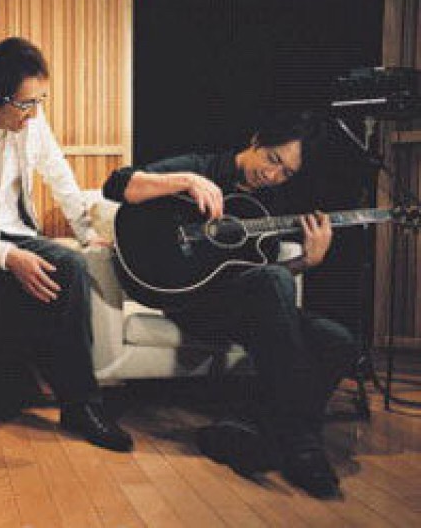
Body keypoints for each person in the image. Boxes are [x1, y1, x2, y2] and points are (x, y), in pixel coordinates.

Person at [103, 112, 357, 499]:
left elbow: (264, 275)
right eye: (272, 159)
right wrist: (187, 181)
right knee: (272, 283)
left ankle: (246, 431)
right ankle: (301, 443)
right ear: (256, 140)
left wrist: (306, 262)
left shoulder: (273, 206)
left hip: (244, 310)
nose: (272, 175)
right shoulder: (203, 167)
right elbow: (115, 185)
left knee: (338, 339)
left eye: (286, 173)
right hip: (190, 300)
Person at [0, 37, 133, 481]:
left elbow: (59, 174)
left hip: (13, 232)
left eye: (39, 101)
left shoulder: (30, 119)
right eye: (26, 104)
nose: (34, 113)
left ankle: (80, 405)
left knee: (72, 266)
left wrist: (86, 233)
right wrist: (8, 257)